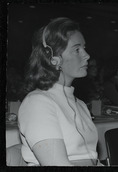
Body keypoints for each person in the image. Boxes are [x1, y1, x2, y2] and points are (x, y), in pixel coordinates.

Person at [18, 17, 101, 166]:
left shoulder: (80, 105)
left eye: (84, 48)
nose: (86, 55)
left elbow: (92, 160)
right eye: (77, 49)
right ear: (53, 58)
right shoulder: (37, 103)